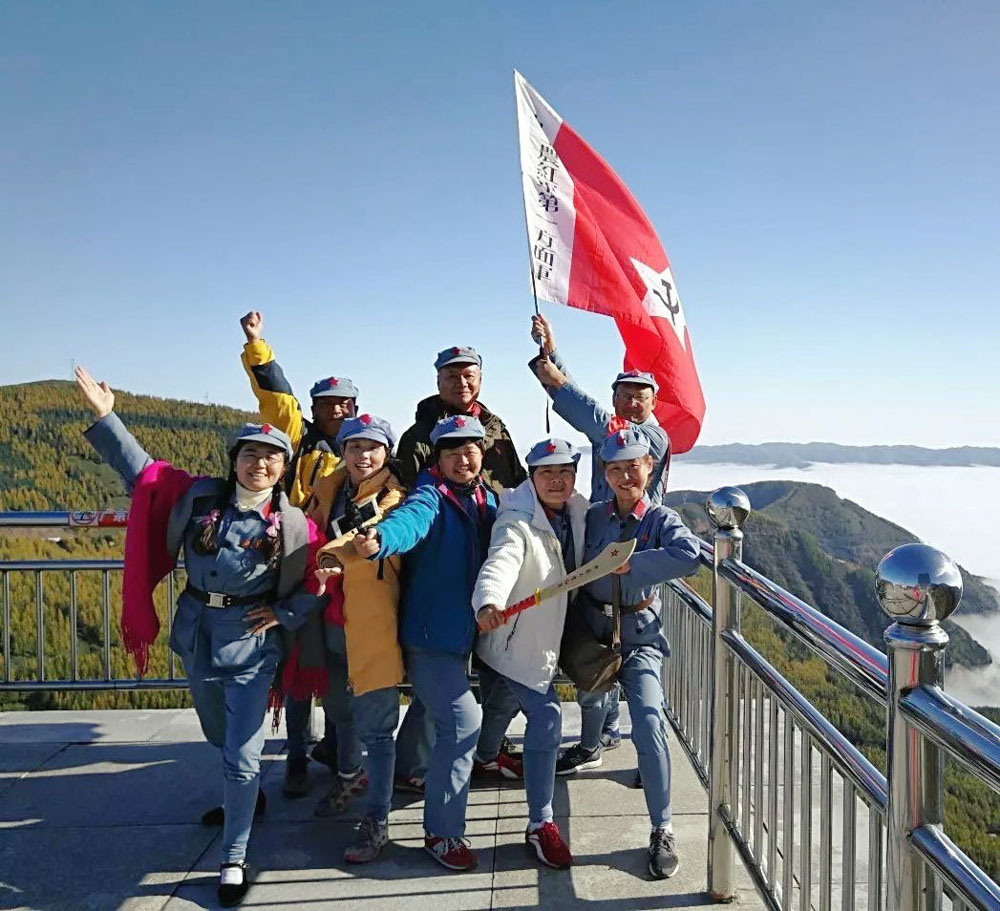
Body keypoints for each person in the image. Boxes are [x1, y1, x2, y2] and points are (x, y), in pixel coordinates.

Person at [74, 366, 327, 907]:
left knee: (241, 755)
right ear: (234, 460)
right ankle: (246, 797)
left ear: (283, 468)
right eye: (250, 454)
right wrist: (107, 417)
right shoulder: (197, 499)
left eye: (272, 457)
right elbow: (144, 474)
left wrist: (284, 614)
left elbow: (319, 581)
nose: (260, 464)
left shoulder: (296, 526)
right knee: (219, 735)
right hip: (197, 635)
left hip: (252, 645)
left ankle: (233, 857)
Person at [352, 415, 498, 871]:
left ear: (482, 453)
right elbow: (408, 523)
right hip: (432, 637)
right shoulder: (430, 496)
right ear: (438, 458)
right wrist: (380, 539)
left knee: (503, 695)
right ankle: (442, 832)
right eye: (452, 451)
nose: (462, 458)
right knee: (463, 722)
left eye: (470, 449)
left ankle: (409, 773)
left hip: (469, 635)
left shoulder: (487, 498)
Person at [530, 313, 672, 775]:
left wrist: (557, 382)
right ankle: (601, 735)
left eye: (640, 394)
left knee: (632, 664)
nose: (632, 400)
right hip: (600, 553)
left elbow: (604, 427)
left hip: (633, 563)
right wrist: (551, 355)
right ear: (615, 397)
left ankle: (635, 750)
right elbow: (595, 417)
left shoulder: (651, 439)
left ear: (654, 401)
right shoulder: (614, 426)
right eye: (624, 393)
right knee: (597, 656)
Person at [567, 423, 701, 879]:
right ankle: (591, 746)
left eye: (634, 467)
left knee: (648, 719)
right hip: (592, 631)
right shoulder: (593, 516)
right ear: (605, 473)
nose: (625, 477)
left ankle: (662, 827)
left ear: (650, 467)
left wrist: (633, 565)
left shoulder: (660, 519)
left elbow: (690, 555)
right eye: (615, 469)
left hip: (640, 636)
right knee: (590, 698)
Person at [394, 346, 526, 790]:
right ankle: (415, 765)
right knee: (442, 684)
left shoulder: (496, 428)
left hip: (492, 561)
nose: (461, 383)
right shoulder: (419, 435)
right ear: (438, 382)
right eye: (452, 376)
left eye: (469, 375)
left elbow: (517, 483)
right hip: (442, 566)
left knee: (491, 673)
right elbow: (412, 502)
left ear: (481, 379)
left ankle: (480, 751)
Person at [239, 310, 359, 795]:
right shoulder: (299, 439)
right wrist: (258, 346)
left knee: (337, 667)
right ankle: (295, 756)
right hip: (295, 562)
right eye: (327, 404)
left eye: (344, 403)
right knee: (297, 666)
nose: (337, 410)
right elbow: (277, 397)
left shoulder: (363, 448)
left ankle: (335, 749)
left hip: (344, 569)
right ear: (314, 408)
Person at [473, 438, 589, 869]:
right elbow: (501, 560)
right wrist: (488, 600)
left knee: (501, 702)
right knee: (547, 718)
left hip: (531, 638)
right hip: (516, 638)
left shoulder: (577, 510)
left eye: (564, 472)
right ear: (531, 476)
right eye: (546, 473)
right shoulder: (516, 520)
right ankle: (541, 823)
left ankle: (485, 758)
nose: (557, 480)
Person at [304, 413, 407, 863]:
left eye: (372, 447)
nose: (363, 455)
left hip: (373, 623)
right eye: (354, 447)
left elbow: (365, 536)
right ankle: (350, 775)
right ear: (342, 452)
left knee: (378, 728)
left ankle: (377, 819)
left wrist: (328, 556)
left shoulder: (393, 497)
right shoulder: (328, 490)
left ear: (387, 452)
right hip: (330, 619)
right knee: (340, 710)